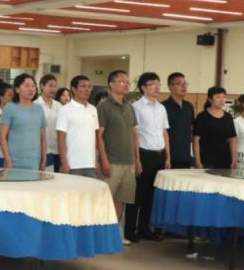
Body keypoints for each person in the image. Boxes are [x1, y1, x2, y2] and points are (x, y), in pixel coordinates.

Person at [96, 71, 138, 241]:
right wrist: (104, 160)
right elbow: (99, 135)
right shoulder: (103, 107)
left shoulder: (130, 107)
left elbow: (134, 134)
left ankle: (111, 236)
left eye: (127, 82)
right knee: (105, 200)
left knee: (121, 200)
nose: (126, 84)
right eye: (121, 81)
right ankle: (100, 237)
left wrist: (137, 160)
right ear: (111, 84)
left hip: (129, 162)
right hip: (112, 162)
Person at [130, 72, 170, 242]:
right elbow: (134, 135)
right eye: (153, 83)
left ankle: (145, 228)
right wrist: (137, 159)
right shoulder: (136, 107)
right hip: (144, 155)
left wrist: (168, 157)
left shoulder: (161, 108)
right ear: (143, 88)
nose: (157, 87)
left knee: (151, 196)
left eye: (158, 83)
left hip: (159, 155)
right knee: (138, 195)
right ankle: (131, 231)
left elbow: (164, 133)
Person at [0, 74, 47, 170]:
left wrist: (44, 159)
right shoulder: (10, 107)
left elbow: (43, 137)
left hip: (34, 161)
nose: (31, 89)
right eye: (27, 86)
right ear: (17, 89)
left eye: (33, 86)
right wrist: (8, 160)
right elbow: (2, 137)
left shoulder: (39, 109)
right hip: (14, 161)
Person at [56, 75, 100, 178]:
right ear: (74, 89)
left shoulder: (93, 109)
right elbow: (61, 138)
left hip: (90, 164)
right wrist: (64, 162)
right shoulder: (65, 110)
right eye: (83, 86)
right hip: (72, 164)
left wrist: (96, 160)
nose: (87, 89)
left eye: (89, 87)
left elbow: (94, 136)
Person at [193, 86, 238, 170]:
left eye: (224, 97)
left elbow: (232, 139)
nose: (222, 100)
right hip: (206, 161)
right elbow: (196, 140)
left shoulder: (228, 117)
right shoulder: (202, 116)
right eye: (218, 97)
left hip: (225, 161)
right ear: (210, 99)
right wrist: (198, 162)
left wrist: (234, 160)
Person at [163, 73, 195, 169]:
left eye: (185, 84)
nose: (184, 86)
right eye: (179, 84)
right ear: (170, 87)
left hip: (186, 156)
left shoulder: (189, 106)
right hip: (168, 158)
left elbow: (192, 129)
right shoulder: (163, 107)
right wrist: (167, 157)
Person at [36, 75, 63, 172]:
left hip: (57, 149)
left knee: (57, 177)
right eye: (50, 85)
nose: (53, 89)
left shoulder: (59, 105)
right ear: (42, 86)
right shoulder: (35, 105)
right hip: (41, 149)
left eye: (55, 86)